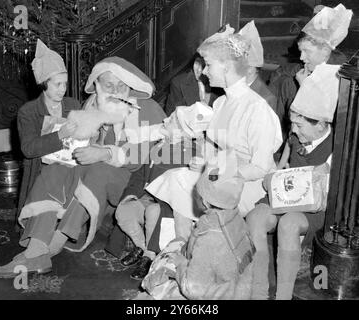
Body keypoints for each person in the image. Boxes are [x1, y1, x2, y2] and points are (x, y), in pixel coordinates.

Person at [0, 56, 166, 279]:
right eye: (109, 85)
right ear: (97, 86)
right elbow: (78, 145)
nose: (116, 91)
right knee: (55, 170)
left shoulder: (147, 108)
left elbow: (141, 157)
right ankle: (37, 247)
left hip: (134, 184)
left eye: (122, 85)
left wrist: (103, 153)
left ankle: (55, 244)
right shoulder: (92, 105)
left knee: (98, 171)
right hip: (95, 176)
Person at [145, 25, 283, 241]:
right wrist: (204, 162)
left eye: (208, 65)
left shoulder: (257, 108)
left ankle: (195, 251)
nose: (205, 72)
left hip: (247, 185)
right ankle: (181, 248)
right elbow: (212, 147)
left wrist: (216, 172)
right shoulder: (220, 103)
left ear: (226, 67)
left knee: (194, 191)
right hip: (219, 175)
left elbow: (260, 167)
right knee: (176, 179)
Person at [247, 63, 340, 300]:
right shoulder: (294, 136)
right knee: (256, 217)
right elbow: (280, 168)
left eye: (299, 125)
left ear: (320, 124)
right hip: (285, 195)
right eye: (292, 123)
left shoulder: (336, 147)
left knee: (288, 224)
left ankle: (283, 295)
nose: (294, 130)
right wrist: (272, 178)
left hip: (316, 207)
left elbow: (330, 194)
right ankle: (258, 290)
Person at [114, 102, 212, 280]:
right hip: (147, 197)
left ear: (182, 131)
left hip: (167, 207)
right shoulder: (158, 145)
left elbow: (178, 196)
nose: (166, 119)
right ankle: (143, 248)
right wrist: (130, 195)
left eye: (172, 119)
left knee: (153, 211)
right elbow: (139, 175)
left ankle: (149, 255)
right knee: (123, 211)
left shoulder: (190, 154)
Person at [140, 157, 255, 300]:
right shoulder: (236, 219)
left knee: (152, 285)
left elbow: (193, 289)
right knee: (177, 243)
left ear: (205, 201)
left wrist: (181, 264)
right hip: (237, 291)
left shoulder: (209, 236)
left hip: (213, 295)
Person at [17, 39, 81, 216]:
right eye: (57, 84)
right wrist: (59, 135)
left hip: (73, 169)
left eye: (65, 83)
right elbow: (28, 149)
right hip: (42, 171)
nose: (63, 89)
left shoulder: (73, 104)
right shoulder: (28, 112)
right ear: (44, 84)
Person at [269, 3, 352, 137]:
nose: (302, 57)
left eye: (307, 51)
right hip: (297, 137)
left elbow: (328, 121)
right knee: (283, 80)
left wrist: (305, 87)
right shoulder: (309, 66)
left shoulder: (341, 77)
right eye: (301, 51)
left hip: (325, 144)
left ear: (325, 51)